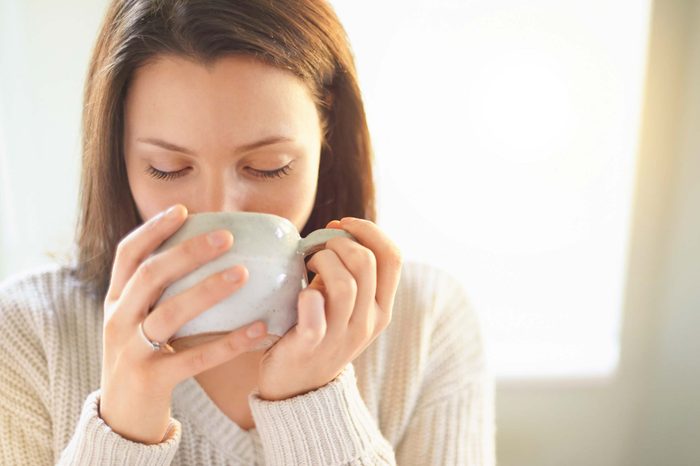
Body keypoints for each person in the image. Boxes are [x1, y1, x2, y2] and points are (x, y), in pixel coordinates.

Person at [0, 0, 495, 464]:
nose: (217, 211)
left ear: (326, 130)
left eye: (268, 167)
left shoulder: (424, 323)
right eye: (168, 168)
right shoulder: (29, 334)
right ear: (118, 153)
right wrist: (121, 432)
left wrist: (313, 406)